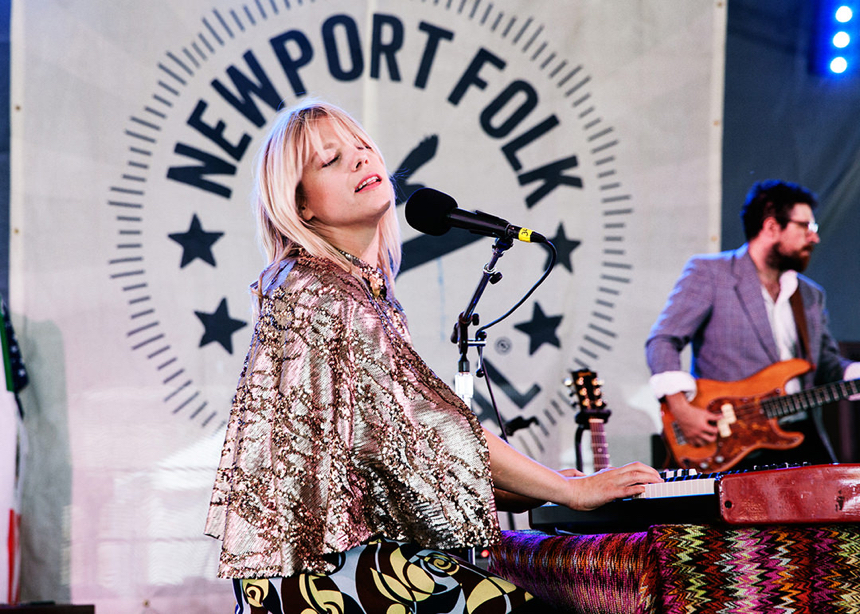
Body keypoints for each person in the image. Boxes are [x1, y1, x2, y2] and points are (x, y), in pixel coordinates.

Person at [204, 101, 662, 614]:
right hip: (319, 574)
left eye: (361, 147)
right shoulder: (319, 290)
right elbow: (428, 429)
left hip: (322, 567)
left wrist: (552, 487)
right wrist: (568, 492)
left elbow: (406, 458)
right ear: (301, 206)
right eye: (330, 160)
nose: (359, 159)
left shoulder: (346, 289)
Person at [646, 179, 860, 469]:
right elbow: (663, 340)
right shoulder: (710, 274)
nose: (814, 238)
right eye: (805, 227)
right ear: (772, 227)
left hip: (800, 436)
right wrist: (681, 409)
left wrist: (853, 373)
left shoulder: (810, 295)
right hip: (729, 440)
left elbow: (826, 365)